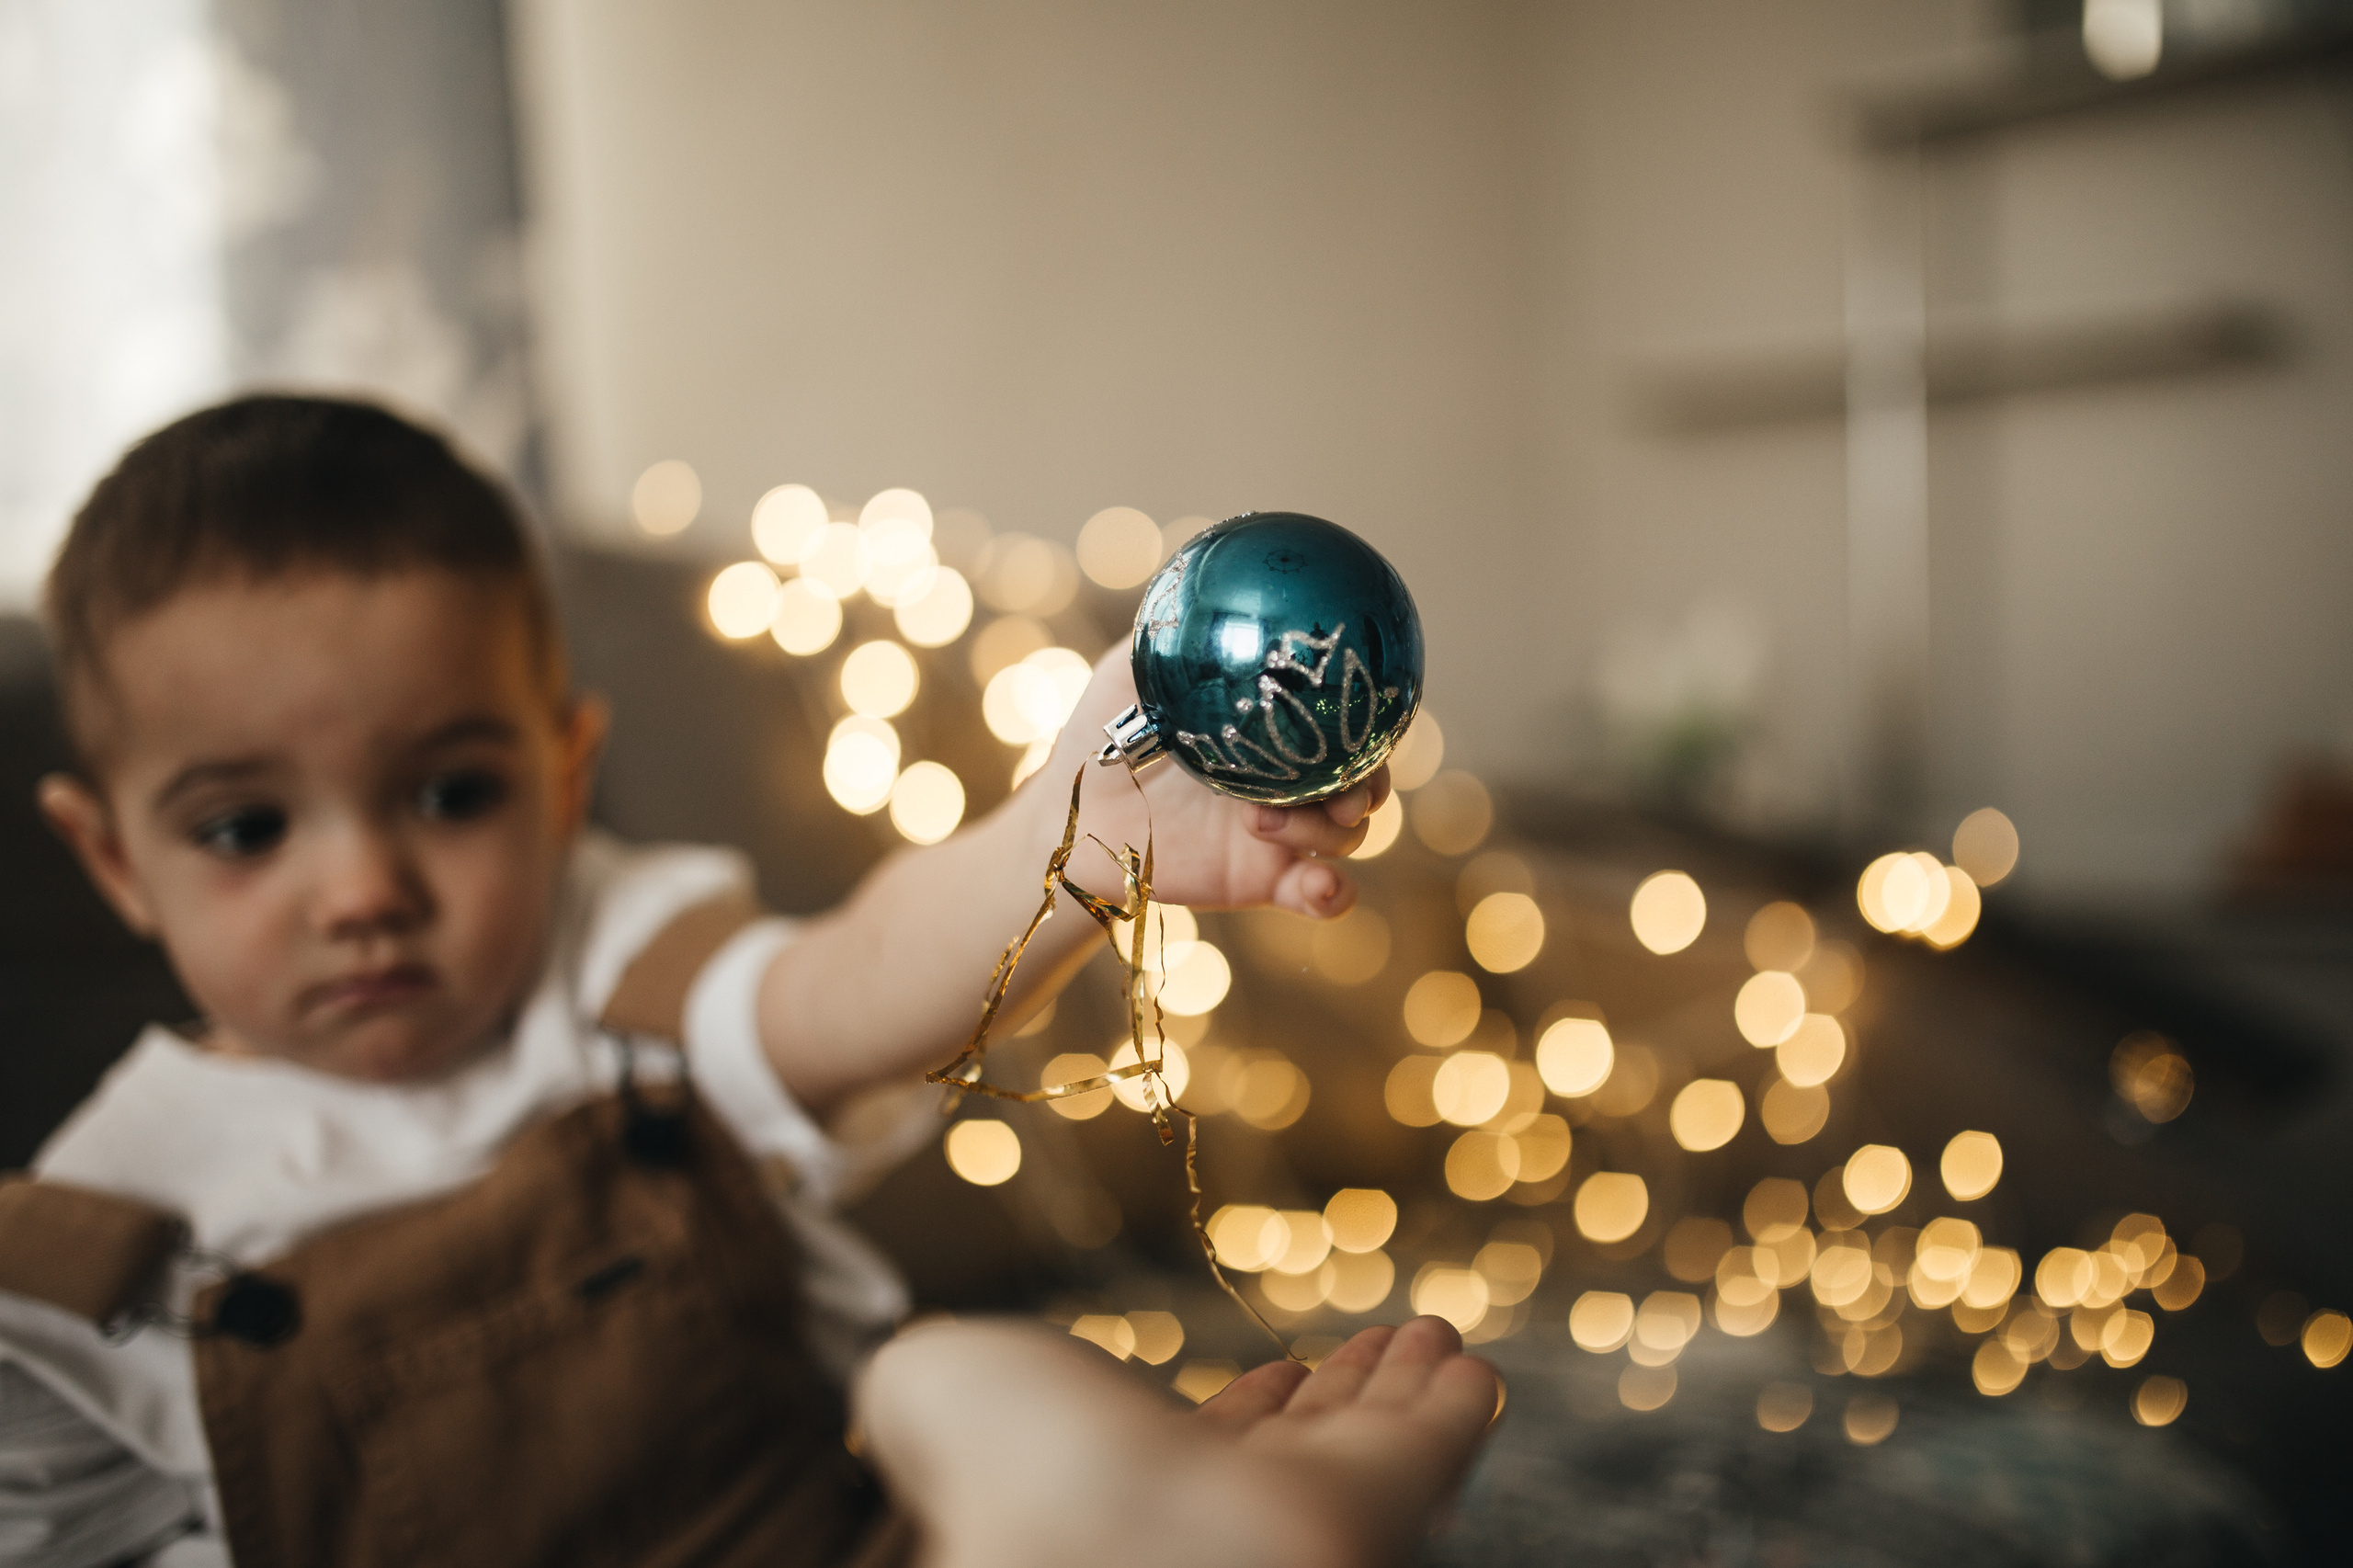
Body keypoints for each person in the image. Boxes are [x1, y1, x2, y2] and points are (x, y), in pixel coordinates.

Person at [0, 395, 1495, 1566]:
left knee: (953, 1379)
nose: (363, 890)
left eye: (450, 794)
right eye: (246, 829)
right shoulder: (99, 1230)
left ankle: (1259, 1508)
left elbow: (856, 984)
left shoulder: (617, 968)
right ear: (117, 859)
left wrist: (1074, 833)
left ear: (567, 774)